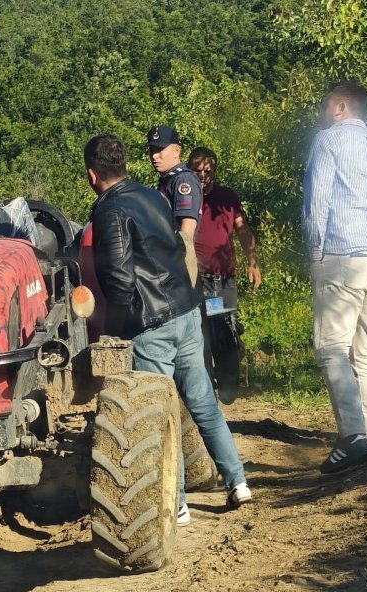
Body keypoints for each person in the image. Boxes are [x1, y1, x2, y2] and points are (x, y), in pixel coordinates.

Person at [84, 134, 251, 526]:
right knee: (203, 403)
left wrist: (115, 331)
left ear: (92, 175)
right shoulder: (153, 196)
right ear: (123, 164)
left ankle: (176, 504)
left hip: (152, 324)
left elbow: (121, 280)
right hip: (187, 312)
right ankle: (238, 482)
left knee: (158, 416)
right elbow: (179, 246)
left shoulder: (109, 211)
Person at [303, 80, 367, 473]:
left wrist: (317, 254)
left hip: (344, 254)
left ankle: (352, 437)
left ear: (340, 106)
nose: (322, 111)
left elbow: (317, 205)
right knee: (364, 352)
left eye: (325, 103)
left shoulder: (329, 140)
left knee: (331, 348)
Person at [190, 147, 262, 403]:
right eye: (197, 171)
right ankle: (203, 393)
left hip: (220, 278)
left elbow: (242, 228)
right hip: (189, 279)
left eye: (207, 171)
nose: (202, 176)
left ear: (214, 171)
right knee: (197, 336)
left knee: (223, 329)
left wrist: (252, 260)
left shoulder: (227, 197)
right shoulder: (183, 196)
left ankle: (228, 381)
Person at [147, 125, 202, 285]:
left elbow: (187, 229)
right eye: (152, 150)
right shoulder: (168, 180)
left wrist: (177, 272)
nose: (155, 156)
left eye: (160, 150)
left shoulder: (183, 180)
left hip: (178, 266)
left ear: (177, 151)